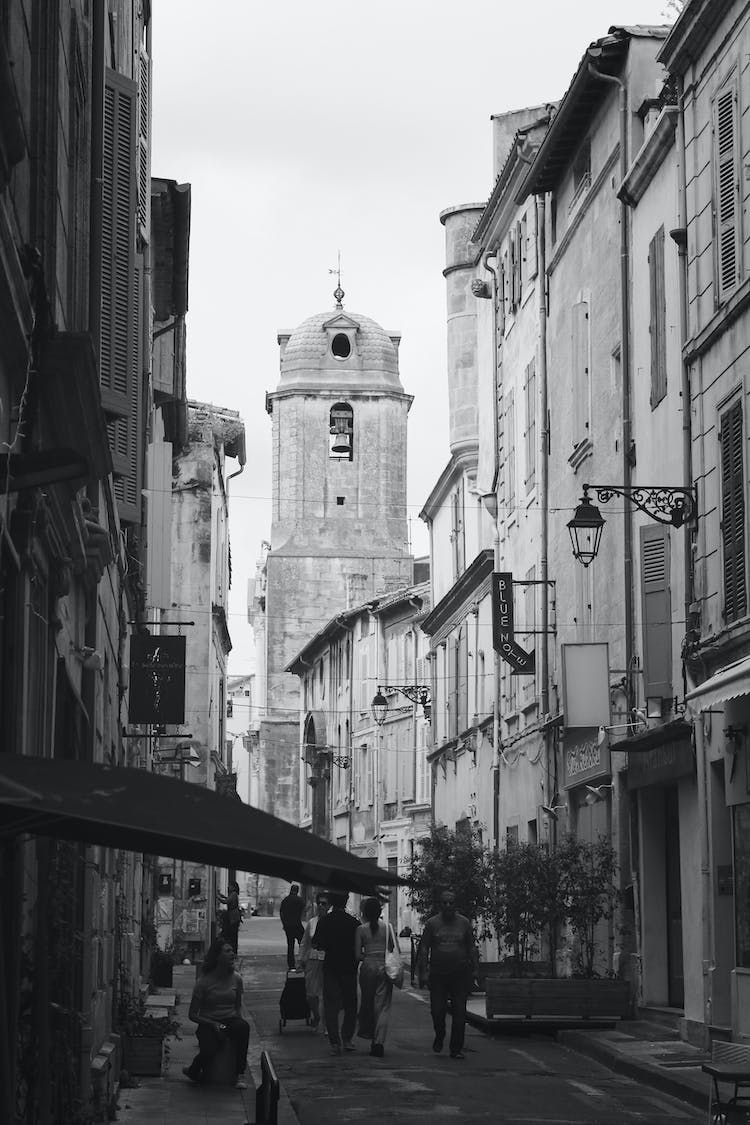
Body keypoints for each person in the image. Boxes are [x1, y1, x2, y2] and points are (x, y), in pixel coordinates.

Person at [183, 937, 250, 1087]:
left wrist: (239, 1023)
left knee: (243, 1028)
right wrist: (213, 1024)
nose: (232, 954)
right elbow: (192, 1014)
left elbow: (237, 1006)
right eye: (227, 951)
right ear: (218, 956)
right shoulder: (204, 982)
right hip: (209, 1022)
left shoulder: (237, 979)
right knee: (210, 1049)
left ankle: (240, 1074)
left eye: (232, 951)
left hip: (229, 1021)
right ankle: (194, 1069)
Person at [418, 889, 475, 1060]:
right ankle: (440, 1034)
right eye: (445, 903)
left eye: (451, 902)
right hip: (438, 974)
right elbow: (423, 948)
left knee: (459, 1013)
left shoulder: (464, 923)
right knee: (437, 1010)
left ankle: (456, 1048)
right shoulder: (432, 924)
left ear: (455, 904)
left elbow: (471, 946)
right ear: (440, 905)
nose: (448, 905)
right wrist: (423, 972)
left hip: (460, 973)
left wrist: (476, 968)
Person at [312, 889, 360, 1055]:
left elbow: (316, 944)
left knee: (331, 1004)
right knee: (350, 1004)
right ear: (346, 900)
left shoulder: (324, 922)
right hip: (349, 967)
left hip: (331, 966)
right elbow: (359, 945)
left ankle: (335, 1042)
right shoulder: (354, 922)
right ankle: (347, 1038)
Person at [355, 897, 399, 1058]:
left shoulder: (361, 929)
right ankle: (378, 1041)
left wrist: (368, 955)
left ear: (364, 913)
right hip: (384, 968)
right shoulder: (388, 928)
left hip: (367, 968)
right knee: (383, 1006)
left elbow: (357, 955)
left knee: (368, 1003)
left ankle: (370, 1034)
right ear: (380, 912)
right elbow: (393, 949)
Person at [298, 891, 329, 1029]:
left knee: (325, 993)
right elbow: (304, 942)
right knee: (311, 993)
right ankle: (316, 1015)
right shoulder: (312, 922)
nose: (321, 906)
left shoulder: (331, 922)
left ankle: (326, 1024)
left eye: (324, 903)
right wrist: (301, 959)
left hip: (327, 961)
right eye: (319, 903)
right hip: (312, 960)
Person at [279, 883, 305, 969]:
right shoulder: (299, 900)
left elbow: (281, 913)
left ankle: (291, 964)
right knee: (303, 943)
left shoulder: (285, 900)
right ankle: (303, 960)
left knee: (290, 945)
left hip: (288, 926)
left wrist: (284, 924)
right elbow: (303, 910)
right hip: (297, 925)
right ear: (297, 891)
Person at [217, 880, 244, 955]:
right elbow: (227, 899)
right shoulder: (233, 894)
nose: (228, 887)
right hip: (234, 916)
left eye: (230, 885)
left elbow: (225, 901)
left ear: (233, 887)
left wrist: (217, 897)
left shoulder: (233, 894)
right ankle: (234, 951)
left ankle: (233, 952)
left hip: (233, 917)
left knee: (232, 935)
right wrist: (221, 895)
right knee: (233, 934)